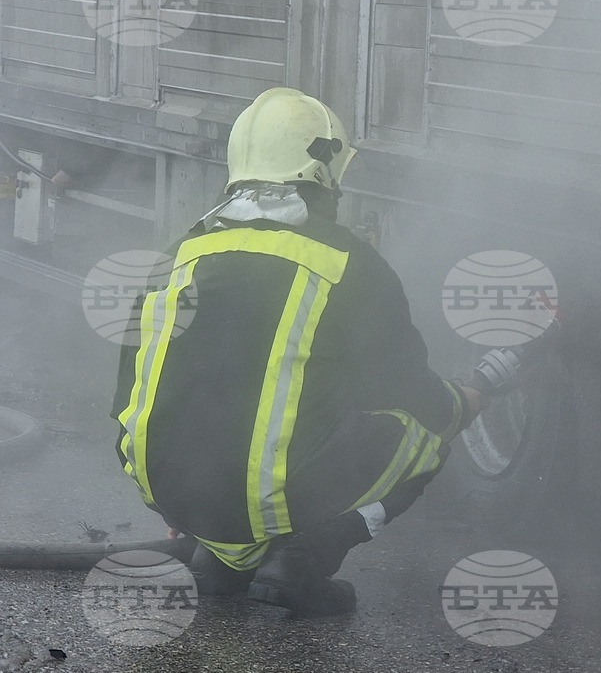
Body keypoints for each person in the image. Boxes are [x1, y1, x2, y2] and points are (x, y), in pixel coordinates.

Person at [111, 87, 488, 616]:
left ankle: (219, 560)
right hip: (257, 495)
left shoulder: (179, 252)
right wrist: (462, 404)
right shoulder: (345, 259)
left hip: (169, 488)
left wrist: (178, 498)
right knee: (425, 437)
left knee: (262, 443)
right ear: (322, 172)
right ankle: (302, 561)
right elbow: (401, 384)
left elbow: (128, 393)